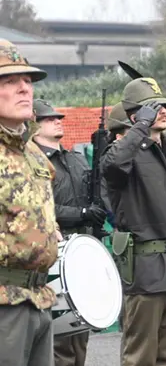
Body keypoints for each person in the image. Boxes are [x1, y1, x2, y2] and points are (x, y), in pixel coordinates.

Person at [102, 77, 166, 366]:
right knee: (140, 356)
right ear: (136, 116)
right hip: (147, 270)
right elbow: (112, 167)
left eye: (165, 106)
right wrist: (139, 129)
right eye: (154, 107)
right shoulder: (123, 153)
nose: (164, 111)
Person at [0, 40, 61, 366]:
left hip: (37, 298)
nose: (25, 88)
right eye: (10, 81)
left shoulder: (34, 152)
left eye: (27, 81)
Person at [30, 99, 102, 366]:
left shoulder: (75, 158)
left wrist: (95, 210)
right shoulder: (35, 161)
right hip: (56, 247)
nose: (57, 120)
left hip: (83, 246)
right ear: (34, 128)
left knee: (80, 328)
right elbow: (42, 206)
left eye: (58, 117)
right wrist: (81, 214)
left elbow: (94, 194)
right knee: (60, 333)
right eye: (49, 119)